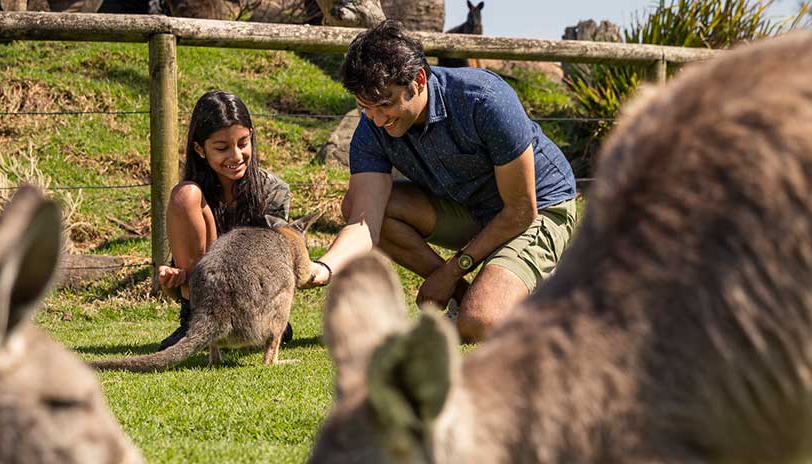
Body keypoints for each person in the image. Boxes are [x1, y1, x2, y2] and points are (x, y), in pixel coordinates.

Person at [303, 20, 579, 343]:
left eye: (385, 103)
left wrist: (448, 272)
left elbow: (520, 210)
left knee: (479, 323)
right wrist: (323, 268)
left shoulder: (485, 100)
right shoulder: (372, 131)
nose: (377, 119)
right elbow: (365, 221)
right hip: (473, 208)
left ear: (418, 80)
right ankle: (467, 296)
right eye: (365, 107)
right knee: (357, 203)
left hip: (537, 208)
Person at [156, 90, 294, 350]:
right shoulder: (194, 195)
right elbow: (188, 279)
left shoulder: (273, 190)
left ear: (251, 136)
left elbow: (279, 265)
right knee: (185, 195)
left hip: (256, 304)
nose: (236, 156)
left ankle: (257, 332)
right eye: (221, 148)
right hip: (208, 304)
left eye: (243, 143)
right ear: (199, 149)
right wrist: (177, 279)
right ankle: (193, 324)